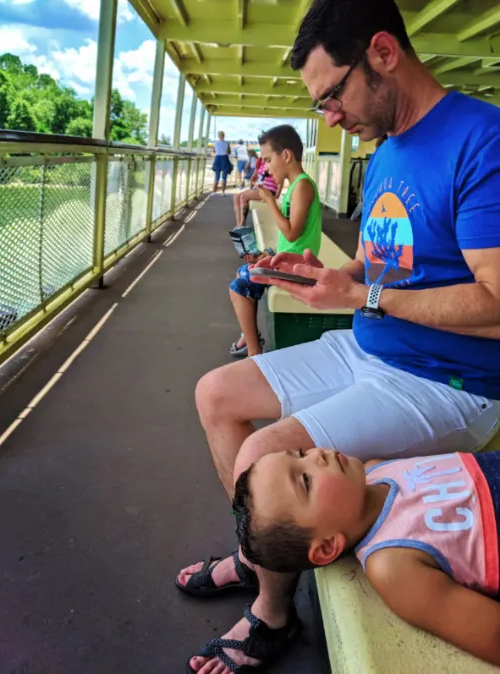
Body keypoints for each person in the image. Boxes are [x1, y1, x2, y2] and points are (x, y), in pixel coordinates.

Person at [178, 1, 500, 672]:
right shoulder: (386, 153)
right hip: (369, 345)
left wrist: (363, 295)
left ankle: (269, 611)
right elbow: (383, 264)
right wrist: (333, 274)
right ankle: (260, 553)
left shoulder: (481, 139)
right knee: (216, 393)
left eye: (331, 96)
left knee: (264, 452)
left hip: (446, 384)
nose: (328, 117)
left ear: (382, 54)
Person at [233, 446, 500, 666]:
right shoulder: (391, 565)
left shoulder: (376, 469)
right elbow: (492, 634)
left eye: (301, 454)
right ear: (327, 547)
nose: (317, 455)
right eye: (305, 480)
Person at [229, 125, 322, 358]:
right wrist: (268, 254)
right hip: (290, 258)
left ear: (286, 155)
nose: (267, 168)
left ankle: (254, 352)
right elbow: (290, 239)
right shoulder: (296, 186)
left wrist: (270, 201)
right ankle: (249, 337)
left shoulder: (302, 186)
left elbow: (291, 233)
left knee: (238, 288)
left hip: (301, 267)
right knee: (246, 271)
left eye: (269, 160)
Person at [232, 154, 280, 230]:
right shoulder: (261, 161)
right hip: (258, 188)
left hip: (268, 189)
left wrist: (277, 195)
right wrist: (251, 187)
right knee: (236, 197)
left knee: (243, 197)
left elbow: (280, 180)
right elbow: (254, 176)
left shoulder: (274, 161)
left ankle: (242, 224)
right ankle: (238, 224)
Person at [212, 131, 232, 195]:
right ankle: (223, 192)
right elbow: (229, 152)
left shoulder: (215, 143)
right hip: (225, 159)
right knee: (224, 177)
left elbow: (214, 151)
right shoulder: (227, 143)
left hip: (217, 159)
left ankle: (214, 192)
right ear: (224, 135)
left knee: (217, 176)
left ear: (218, 136)